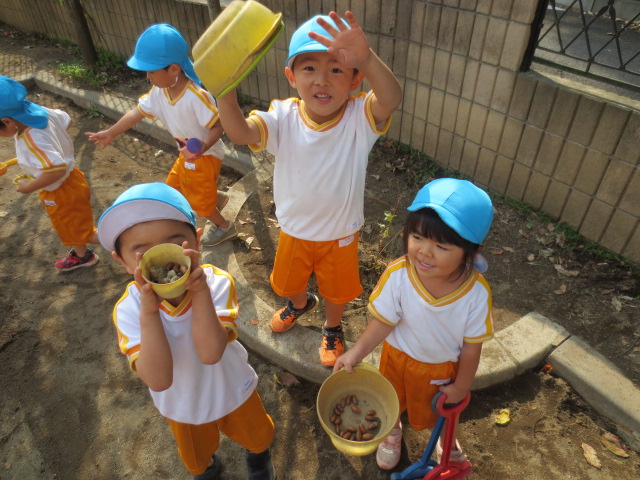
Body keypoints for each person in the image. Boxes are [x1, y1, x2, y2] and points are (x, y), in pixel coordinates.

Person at [216, 11, 402, 367]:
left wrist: (367, 57)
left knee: (337, 291)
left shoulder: (359, 117)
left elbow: (390, 98)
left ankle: (333, 328)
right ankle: (299, 304)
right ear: (291, 76)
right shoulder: (283, 117)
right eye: (309, 68)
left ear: (354, 80)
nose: (322, 80)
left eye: (336, 69)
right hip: (294, 229)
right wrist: (225, 96)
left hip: (339, 235)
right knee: (287, 282)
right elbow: (241, 134)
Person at [97, 182, 275, 480]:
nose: (163, 257)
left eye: (174, 241)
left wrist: (200, 291)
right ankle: (208, 470)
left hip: (231, 387)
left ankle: (258, 460)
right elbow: (159, 379)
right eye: (142, 252)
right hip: (183, 405)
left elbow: (210, 353)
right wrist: (150, 313)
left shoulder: (216, 283)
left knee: (257, 437)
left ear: (197, 240)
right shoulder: (128, 310)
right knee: (196, 456)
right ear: (123, 262)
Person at [333, 178, 495, 472]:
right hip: (396, 360)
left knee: (444, 410)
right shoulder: (398, 275)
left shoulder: (475, 293)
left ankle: (448, 441)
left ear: (470, 251)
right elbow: (383, 322)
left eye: (441, 246)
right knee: (390, 400)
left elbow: (472, 348)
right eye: (417, 238)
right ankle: (392, 432)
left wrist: (461, 386)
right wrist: (355, 352)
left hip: (441, 370)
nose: (424, 252)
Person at [86, 24, 236, 247]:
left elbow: (218, 125)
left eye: (152, 71)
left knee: (199, 204)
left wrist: (202, 147)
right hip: (187, 155)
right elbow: (136, 112)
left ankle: (224, 227)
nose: (148, 76)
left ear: (174, 69)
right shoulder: (160, 91)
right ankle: (216, 197)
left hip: (204, 156)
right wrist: (110, 132)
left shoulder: (196, 96)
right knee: (173, 188)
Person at [0, 75, 99, 271]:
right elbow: (66, 120)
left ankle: (125, 240)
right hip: (72, 180)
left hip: (61, 190)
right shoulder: (39, 112)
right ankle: (82, 255)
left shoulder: (31, 140)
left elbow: (56, 169)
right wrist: (55, 142)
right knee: (69, 225)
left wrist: (28, 187)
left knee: (83, 231)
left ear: (7, 121)